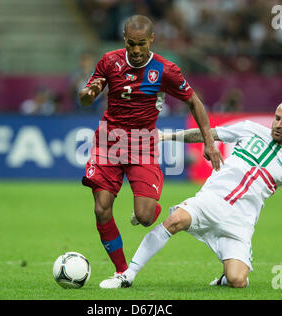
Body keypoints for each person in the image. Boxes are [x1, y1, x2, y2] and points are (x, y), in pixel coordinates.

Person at [100, 100, 282, 289]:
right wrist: (166, 136)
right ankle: (128, 275)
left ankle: (225, 277)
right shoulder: (250, 129)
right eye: (277, 118)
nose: (278, 124)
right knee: (175, 220)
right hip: (211, 200)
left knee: (238, 280)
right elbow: (207, 134)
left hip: (240, 223)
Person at [78, 15, 222, 287]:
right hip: (108, 143)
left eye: (141, 43)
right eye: (131, 43)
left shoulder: (165, 70)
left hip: (143, 145)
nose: (135, 49)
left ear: (151, 40)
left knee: (145, 217)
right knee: (101, 209)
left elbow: (194, 102)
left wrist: (209, 142)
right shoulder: (109, 61)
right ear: (124, 39)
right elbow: (85, 98)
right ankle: (122, 271)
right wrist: (90, 91)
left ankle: (144, 212)